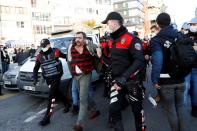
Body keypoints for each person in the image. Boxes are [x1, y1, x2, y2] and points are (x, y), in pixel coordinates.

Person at [102, 12, 146, 131]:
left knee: (137, 111)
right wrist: (101, 56)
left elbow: (139, 60)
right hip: (116, 82)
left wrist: (124, 77)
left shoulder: (131, 38)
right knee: (113, 109)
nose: (107, 24)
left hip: (132, 82)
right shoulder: (111, 40)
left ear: (114, 21)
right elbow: (112, 61)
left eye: (107, 22)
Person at [150, 13, 189, 131]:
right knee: (181, 107)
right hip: (181, 78)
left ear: (157, 24)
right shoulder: (179, 35)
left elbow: (157, 60)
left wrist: (154, 79)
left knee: (171, 109)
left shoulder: (156, 40)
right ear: (169, 21)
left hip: (166, 81)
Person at [67, 32, 101, 131]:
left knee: (82, 99)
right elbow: (69, 61)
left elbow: (97, 48)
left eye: (80, 38)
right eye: (76, 38)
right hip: (76, 76)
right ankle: (94, 109)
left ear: (84, 39)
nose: (77, 39)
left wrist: (99, 49)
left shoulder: (89, 46)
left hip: (86, 75)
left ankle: (79, 123)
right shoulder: (71, 47)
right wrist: (72, 74)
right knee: (84, 95)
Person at [33, 38, 71, 126]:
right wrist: (35, 79)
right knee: (56, 92)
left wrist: (72, 57)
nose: (44, 48)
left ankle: (47, 117)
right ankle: (67, 104)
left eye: (45, 46)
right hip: (48, 78)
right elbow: (35, 69)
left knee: (51, 96)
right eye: (42, 46)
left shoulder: (56, 51)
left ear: (49, 45)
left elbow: (65, 56)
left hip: (57, 76)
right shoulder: (39, 56)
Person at [184, 17, 197, 117]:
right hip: (187, 67)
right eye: (191, 24)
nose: (192, 26)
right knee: (185, 89)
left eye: (194, 24)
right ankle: (181, 111)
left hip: (196, 67)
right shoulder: (186, 36)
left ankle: (194, 107)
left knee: (195, 89)